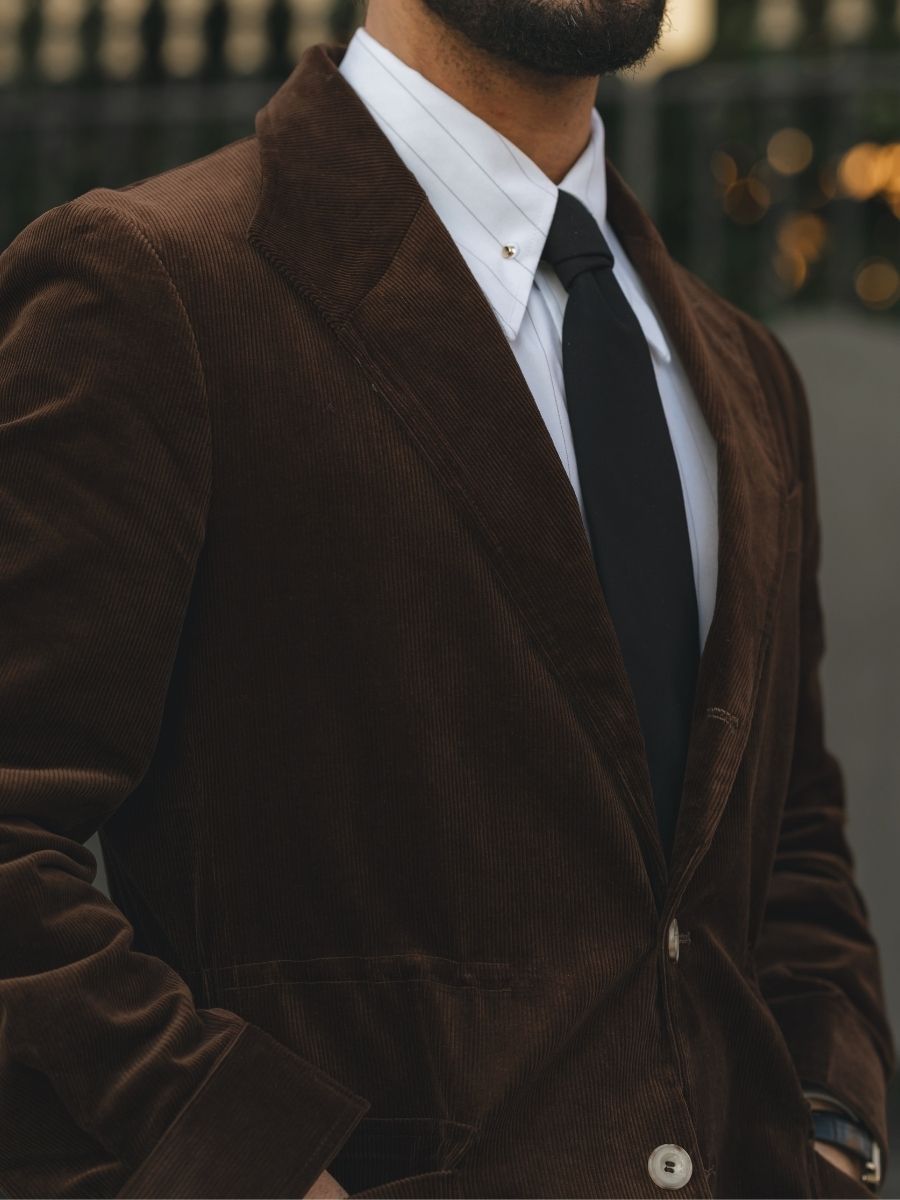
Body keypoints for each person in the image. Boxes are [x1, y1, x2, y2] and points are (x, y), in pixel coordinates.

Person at [0, 0, 893, 1196]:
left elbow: (789, 839)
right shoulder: (153, 284)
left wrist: (834, 1123)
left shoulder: (742, 372)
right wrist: (249, 1163)